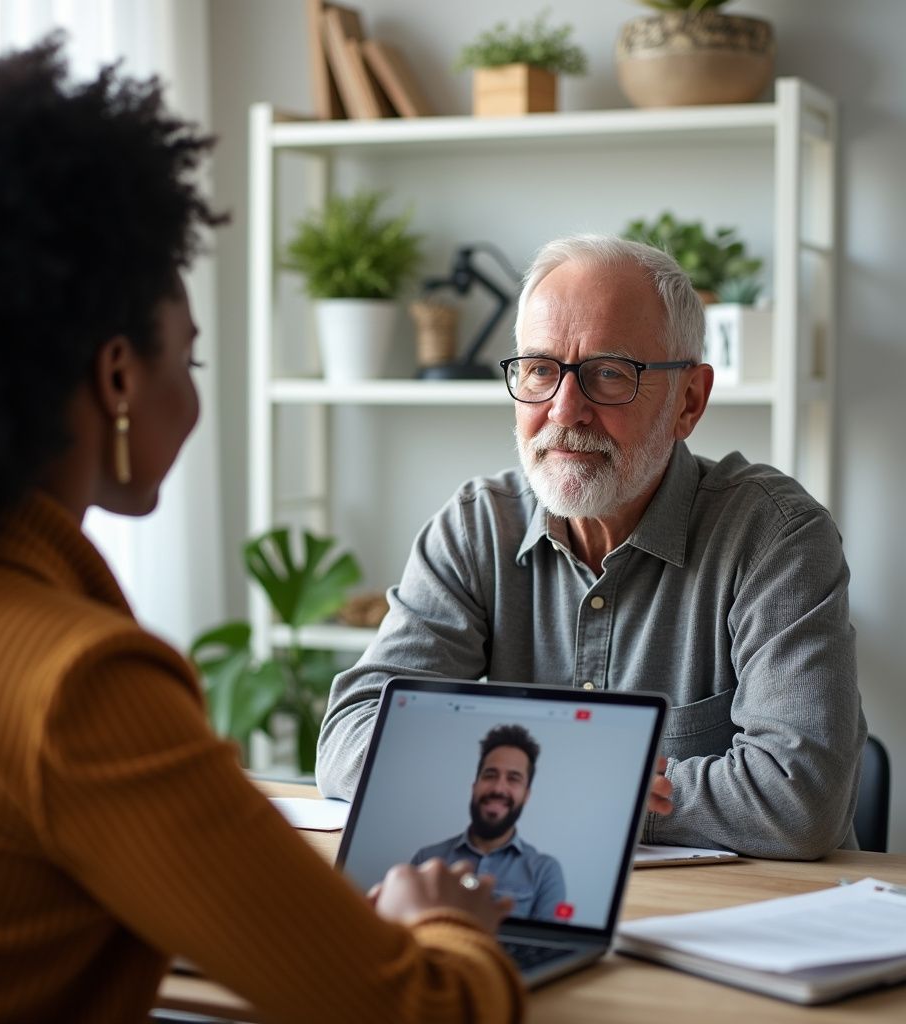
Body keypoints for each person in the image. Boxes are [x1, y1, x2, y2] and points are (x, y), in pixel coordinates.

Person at [0, 33, 525, 1024]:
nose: (194, 395)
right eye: (192, 360)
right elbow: (418, 1011)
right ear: (117, 378)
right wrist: (444, 925)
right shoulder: (72, 685)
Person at [317, 234, 866, 861]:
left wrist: (522, 786)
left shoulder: (775, 536)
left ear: (689, 400)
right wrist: (617, 787)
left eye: (610, 373)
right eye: (540, 369)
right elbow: (351, 740)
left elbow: (798, 802)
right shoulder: (476, 526)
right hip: (525, 899)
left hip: (738, 926)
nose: (564, 409)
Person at [412, 725, 566, 922]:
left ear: (526, 795)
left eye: (513, 779)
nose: (498, 788)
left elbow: (548, 945)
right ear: (474, 786)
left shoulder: (545, 872)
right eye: (490, 775)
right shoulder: (427, 859)